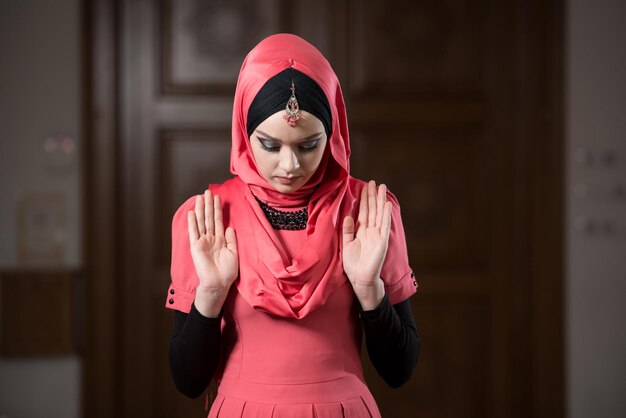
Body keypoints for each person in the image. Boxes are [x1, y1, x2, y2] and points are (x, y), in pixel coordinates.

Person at [165, 33, 420, 417]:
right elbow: (187, 381)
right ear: (243, 132)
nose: (290, 166)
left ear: (332, 136)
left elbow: (399, 371)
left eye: (308, 145)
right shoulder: (207, 218)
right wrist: (211, 294)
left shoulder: (368, 212)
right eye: (269, 145)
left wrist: (371, 291)